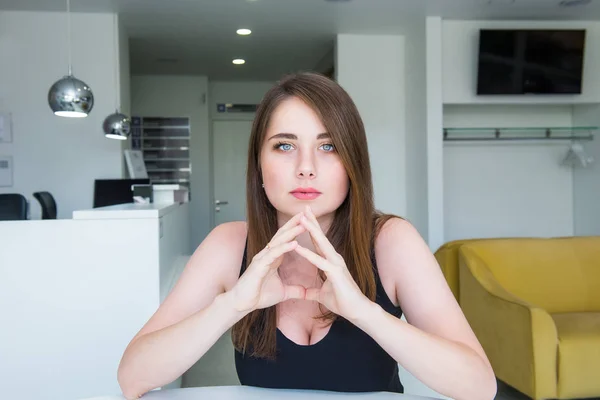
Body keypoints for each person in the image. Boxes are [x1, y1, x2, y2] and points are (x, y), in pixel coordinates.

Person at [117, 72, 497, 400]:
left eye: (328, 146)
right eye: (285, 146)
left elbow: (479, 387)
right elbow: (133, 376)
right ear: (259, 167)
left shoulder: (391, 242)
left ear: (353, 164)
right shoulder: (228, 244)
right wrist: (232, 305)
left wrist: (366, 312)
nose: (306, 168)